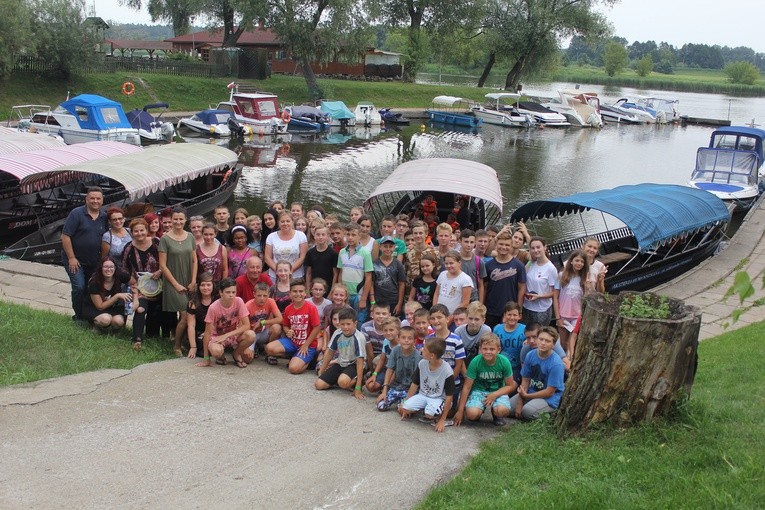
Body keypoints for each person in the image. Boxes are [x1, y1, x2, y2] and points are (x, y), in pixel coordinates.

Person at [61, 186, 108, 322]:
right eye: (92, 198)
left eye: (98, 198)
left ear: (102, 200)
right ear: (86, 199)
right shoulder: (77, 213)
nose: (95, 201)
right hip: (75, 260)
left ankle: (89, 315)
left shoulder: (104, 217)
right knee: (79, 287)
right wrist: (71, 258)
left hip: (94, 261)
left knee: (91, 288)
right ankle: (78, 316)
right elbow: (65, 236)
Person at [159, 206, 198, 356]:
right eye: (175, 219)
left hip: (189, 279)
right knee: (185, 314)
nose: (178, 222)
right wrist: (175, 284)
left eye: (181, 219)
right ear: (171, 220)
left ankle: (181, 340)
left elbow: (194, 260)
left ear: (185, 220)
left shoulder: (190, 237)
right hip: (173, 281)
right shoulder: (165, 239)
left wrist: (193, 280)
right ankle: (177, 345)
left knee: (188, 313)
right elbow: (162, 265)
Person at [454, 333, 516, 426]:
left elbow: (510, 385)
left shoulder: (504, 362)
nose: (488, 352)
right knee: (472, 415)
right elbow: (467, 387)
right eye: (485, 349)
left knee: (502, 410)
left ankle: (496, 414)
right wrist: (460, 411)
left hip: (498, 391)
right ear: (480, 349)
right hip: (479, 391)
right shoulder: (475, 362)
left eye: (492, 349)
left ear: (498, 350)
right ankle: (479, 410)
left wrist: (494, 394)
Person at [264, 278, 322, 374]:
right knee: (269, 349)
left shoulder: (311, 308)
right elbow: (286, 325)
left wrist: (306, 345)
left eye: (301, 291)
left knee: (293, 369)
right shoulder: (288, 309)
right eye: (295, 291)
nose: (298, 294)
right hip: (293, 342)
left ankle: (309, 360)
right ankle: (294, 356)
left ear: (305, 293)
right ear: (290, 293)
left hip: (308, 344)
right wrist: (287, 331)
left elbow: (317, 327)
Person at [194, 278, 255, 368]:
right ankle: (221, 357)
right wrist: (206, 358)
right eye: (228, 292)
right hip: (217, 337)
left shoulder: (239, 301)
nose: (231, 295)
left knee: (251, 335)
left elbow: (247, 325)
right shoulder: (213, 307)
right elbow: (207, 333)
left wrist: (227, 335)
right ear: (221, 292)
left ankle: (236, 353)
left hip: (233, 335)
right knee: (216, 351)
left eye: (233, 292)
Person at [122, 218, 163, 348]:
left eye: (142, 230)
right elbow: (123, 268)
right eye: (136, 231)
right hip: (140, 286)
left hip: (159, 283)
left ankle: (153, 335)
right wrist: (131, 280)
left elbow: (167, 260)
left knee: (156, 310)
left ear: (146, 230)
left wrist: (161, 271)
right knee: (140, 308)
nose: (139, 233)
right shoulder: (129, 248)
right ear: (132, 233)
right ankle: (137, 339)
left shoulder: (157, 243)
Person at [398, 337, 455, 433]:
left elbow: (449, 396)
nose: (421, 350)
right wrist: (405, 402)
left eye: (424, 349)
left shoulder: (447, 370)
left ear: (432, 356)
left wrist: (442, 420)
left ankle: (435, 413)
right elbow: (414, 384)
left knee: (430, 414)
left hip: (438, 398)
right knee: (405, 407)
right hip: (423, 395)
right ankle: (425, 409)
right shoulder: (422, 363)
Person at [509, 326, 565, 420]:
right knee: (507, 408)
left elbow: (549, 392)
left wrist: (527, 396)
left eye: (547, 341)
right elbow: (525, 381)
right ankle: (531, 407)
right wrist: (520, 401)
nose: (543, 343)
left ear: (553, 345)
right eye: (541, 339)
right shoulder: (530, 355)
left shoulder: (556, 363)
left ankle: (552, 415)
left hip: (549, 398)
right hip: (532, 390)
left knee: (527, 412)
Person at [315, 307, 366, 399]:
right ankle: (341, 379)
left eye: (348, 324)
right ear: (339, 324)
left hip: (353, 364)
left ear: (355, 324)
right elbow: (330, 352)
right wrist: (322, 371)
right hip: (340, 362)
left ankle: (359, 380)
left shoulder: (359, 338)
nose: (345, 327)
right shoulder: (337, 333)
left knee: (342, 383)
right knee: (319, 385)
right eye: (343, 324)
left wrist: (358, 388)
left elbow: (360, 361)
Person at [427, 304, 466, 419]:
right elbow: (426, 362)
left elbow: (459, 364)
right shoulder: (429, 340)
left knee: (448, 414)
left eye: (439, 317)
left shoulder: (456, 340)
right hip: (433, 382)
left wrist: (449, 381)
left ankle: (456, 401)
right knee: (431, 413)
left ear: (448, 319)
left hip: (452, 382)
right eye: (433, 318)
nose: (436, 321)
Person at [484, 231, 526, 328]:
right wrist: (482, 306)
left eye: (507, 245)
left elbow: (521, 288)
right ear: (496, 245)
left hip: (510, 310)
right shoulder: (488, 265)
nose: (504, 247)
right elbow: (485, 287)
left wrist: (519, 309)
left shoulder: (518, 265)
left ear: (511, 246)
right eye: (501, 244)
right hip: (492, 309)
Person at [376, 325, 422, 411]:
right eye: (403, 338)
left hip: (409, 389)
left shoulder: (418, 357)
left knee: (404, 409)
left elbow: (416, 381)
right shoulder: (395, 350)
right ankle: (397, 400)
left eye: (409, 338)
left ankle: (402, 403)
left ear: (414, 341)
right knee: (381, 406)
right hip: (395, 386)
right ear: (398, 339)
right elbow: (389, 370)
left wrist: (407, 400)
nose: (406, 340)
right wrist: (384, 391)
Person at [554, 249, 590, 352]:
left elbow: (587, 299)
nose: (579, 264)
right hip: (563, 315)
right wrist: (557, 317)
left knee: (572, 344)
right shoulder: (562, 276)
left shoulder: (584, 279)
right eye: (577, 260)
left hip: (577, 316)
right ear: (571, 261)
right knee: (563, 344)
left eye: (582, 262)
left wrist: (588, 287)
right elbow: (555, 297)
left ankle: (571, 363)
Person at [82, 257, 131, 334]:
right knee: (105, 319)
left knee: (118, 321)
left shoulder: (120, 275)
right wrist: (117, 296)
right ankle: (96, 325)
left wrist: (135, 301)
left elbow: (134, 282)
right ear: (101, 268)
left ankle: (114, 331)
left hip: (114, 308)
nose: (109, 269)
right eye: (105, 267)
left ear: (115, 268)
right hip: (95, 308)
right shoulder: (94, 282)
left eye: (111, 267)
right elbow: (100, 306)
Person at [337, 222, 373, 324]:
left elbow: (369, 277)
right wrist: (341, 290)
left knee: (359, 321)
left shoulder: (365, 253)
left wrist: (363, 299)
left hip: (358, 294)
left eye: (353, 235)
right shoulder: (342, 252)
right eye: (348, 235)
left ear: (359, 236)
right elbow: (341, 272)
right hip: (345, 294)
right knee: (344, 319)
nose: (350, 238)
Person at [243, 281, 282, 363]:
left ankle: (270, 353)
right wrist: (246, 346)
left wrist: (263, 322)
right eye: (259, 295)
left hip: (265, 331)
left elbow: (280, 319)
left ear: (268, 294)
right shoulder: (248, 305)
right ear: (254, 294)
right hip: (252, 333)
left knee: (277, 327)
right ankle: (256, 346)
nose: (262, 298)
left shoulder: (271, 301)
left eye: (265, 296)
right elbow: (242, 325)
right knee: (247, 359)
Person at [523, 236, 558, 326]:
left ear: (545, 247)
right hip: (527, 306)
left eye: (538, 247)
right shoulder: (531, 263)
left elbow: (554, 292)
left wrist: (539, 296)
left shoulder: (550, 268)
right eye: (533, 248)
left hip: (541, 309)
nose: (536, 250)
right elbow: (522, 274)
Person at [264, 211, 308, 280]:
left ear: (292, 222)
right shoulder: (271, 237)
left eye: (288, 221)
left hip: (296, 276)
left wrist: (289, 271)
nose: (285, 223)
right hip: (275, 275)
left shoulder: (301, 236)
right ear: (278, 223)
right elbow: (267, 257)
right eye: (282, 221)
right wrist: (279, 271)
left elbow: (302, 257)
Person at [371, 236, 407, 316]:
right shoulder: (374, 263)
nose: (388, 249)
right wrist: (372, 301)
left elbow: (401, 284)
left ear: (394, 248)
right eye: (385, 246)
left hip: (393, 300)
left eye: (391, 247)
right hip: (378, 299)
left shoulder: (398, 264)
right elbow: (371, 283)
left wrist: (399, 304)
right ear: (380, 247)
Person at [493, 301, 526, 384]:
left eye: (515, 315)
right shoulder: (497, 329)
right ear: (504, 315)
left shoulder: (524, 330)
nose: (512, 318)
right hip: (499, 366)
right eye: (509, 314)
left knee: (510, 387)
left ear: (519, 316)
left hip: (516, 367)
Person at [366, 316, 400, 393]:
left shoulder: (401, 345)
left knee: (387, 389)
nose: (388, 333)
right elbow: (382, 359)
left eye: (391, 330)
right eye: (385, 330)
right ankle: (383, 386)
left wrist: (387, 385)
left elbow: (398, 368)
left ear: (398, 330)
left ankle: (387, 387)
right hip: (387, 369)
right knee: (370, 386)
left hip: (399, 373)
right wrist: (374, 374)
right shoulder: (386, 341)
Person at [433, 250, 473, 316]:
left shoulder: (465, 279)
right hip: (438, 315)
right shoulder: (442, 274)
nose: (448, 266)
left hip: (454, 317)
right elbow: (436, 294)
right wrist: (434, 311)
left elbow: (465, 303)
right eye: (446, 263)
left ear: (459, 263)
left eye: (451, 263)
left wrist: (451, 318)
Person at [186, 272, 216, 358]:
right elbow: (191, 325)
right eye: (203, 285)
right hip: (199, 332)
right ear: (198, 287)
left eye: (208, 285)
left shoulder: (218, 299)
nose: (205, 288)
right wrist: (193, 347)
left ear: (213, 285)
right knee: (203, 351)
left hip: (214, 331)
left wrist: (209, 333)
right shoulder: (193, 302)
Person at [454, 301, 491, 368]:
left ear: (483, 320)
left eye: (476, 319)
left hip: (478, 364)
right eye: (470, 318)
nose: (473, 322)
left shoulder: (486, 330)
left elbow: (483, 355)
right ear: (467, 317)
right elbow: (458, 358)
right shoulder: (458, 331)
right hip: (462, 364)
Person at [404, 220, 439, 290]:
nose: (418, 236)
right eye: (415, 233)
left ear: (426, 234)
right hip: (409, 292)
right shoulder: (407, 252)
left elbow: (437, 273)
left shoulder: (435, 253)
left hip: (427, 292)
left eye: (420, 233)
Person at [304, 225, 338, 290]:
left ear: (328, 236)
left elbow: (335, 274)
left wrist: (332, 291)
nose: (320, 237)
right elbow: (308, 273)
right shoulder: (310, 253)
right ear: (314, 236)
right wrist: (307, 290)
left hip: (328, 287)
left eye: (323, 235)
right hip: (314, 288)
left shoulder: (333, 253)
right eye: (318, 234)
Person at [100, 207, 132, 272]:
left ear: (124, 219)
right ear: (109, 221)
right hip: (117, 271)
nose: (118, 221)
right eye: (114, 219)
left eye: (120, 218)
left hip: (133, 269)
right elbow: (104, 257)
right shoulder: (107, 236)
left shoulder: (130, 231)